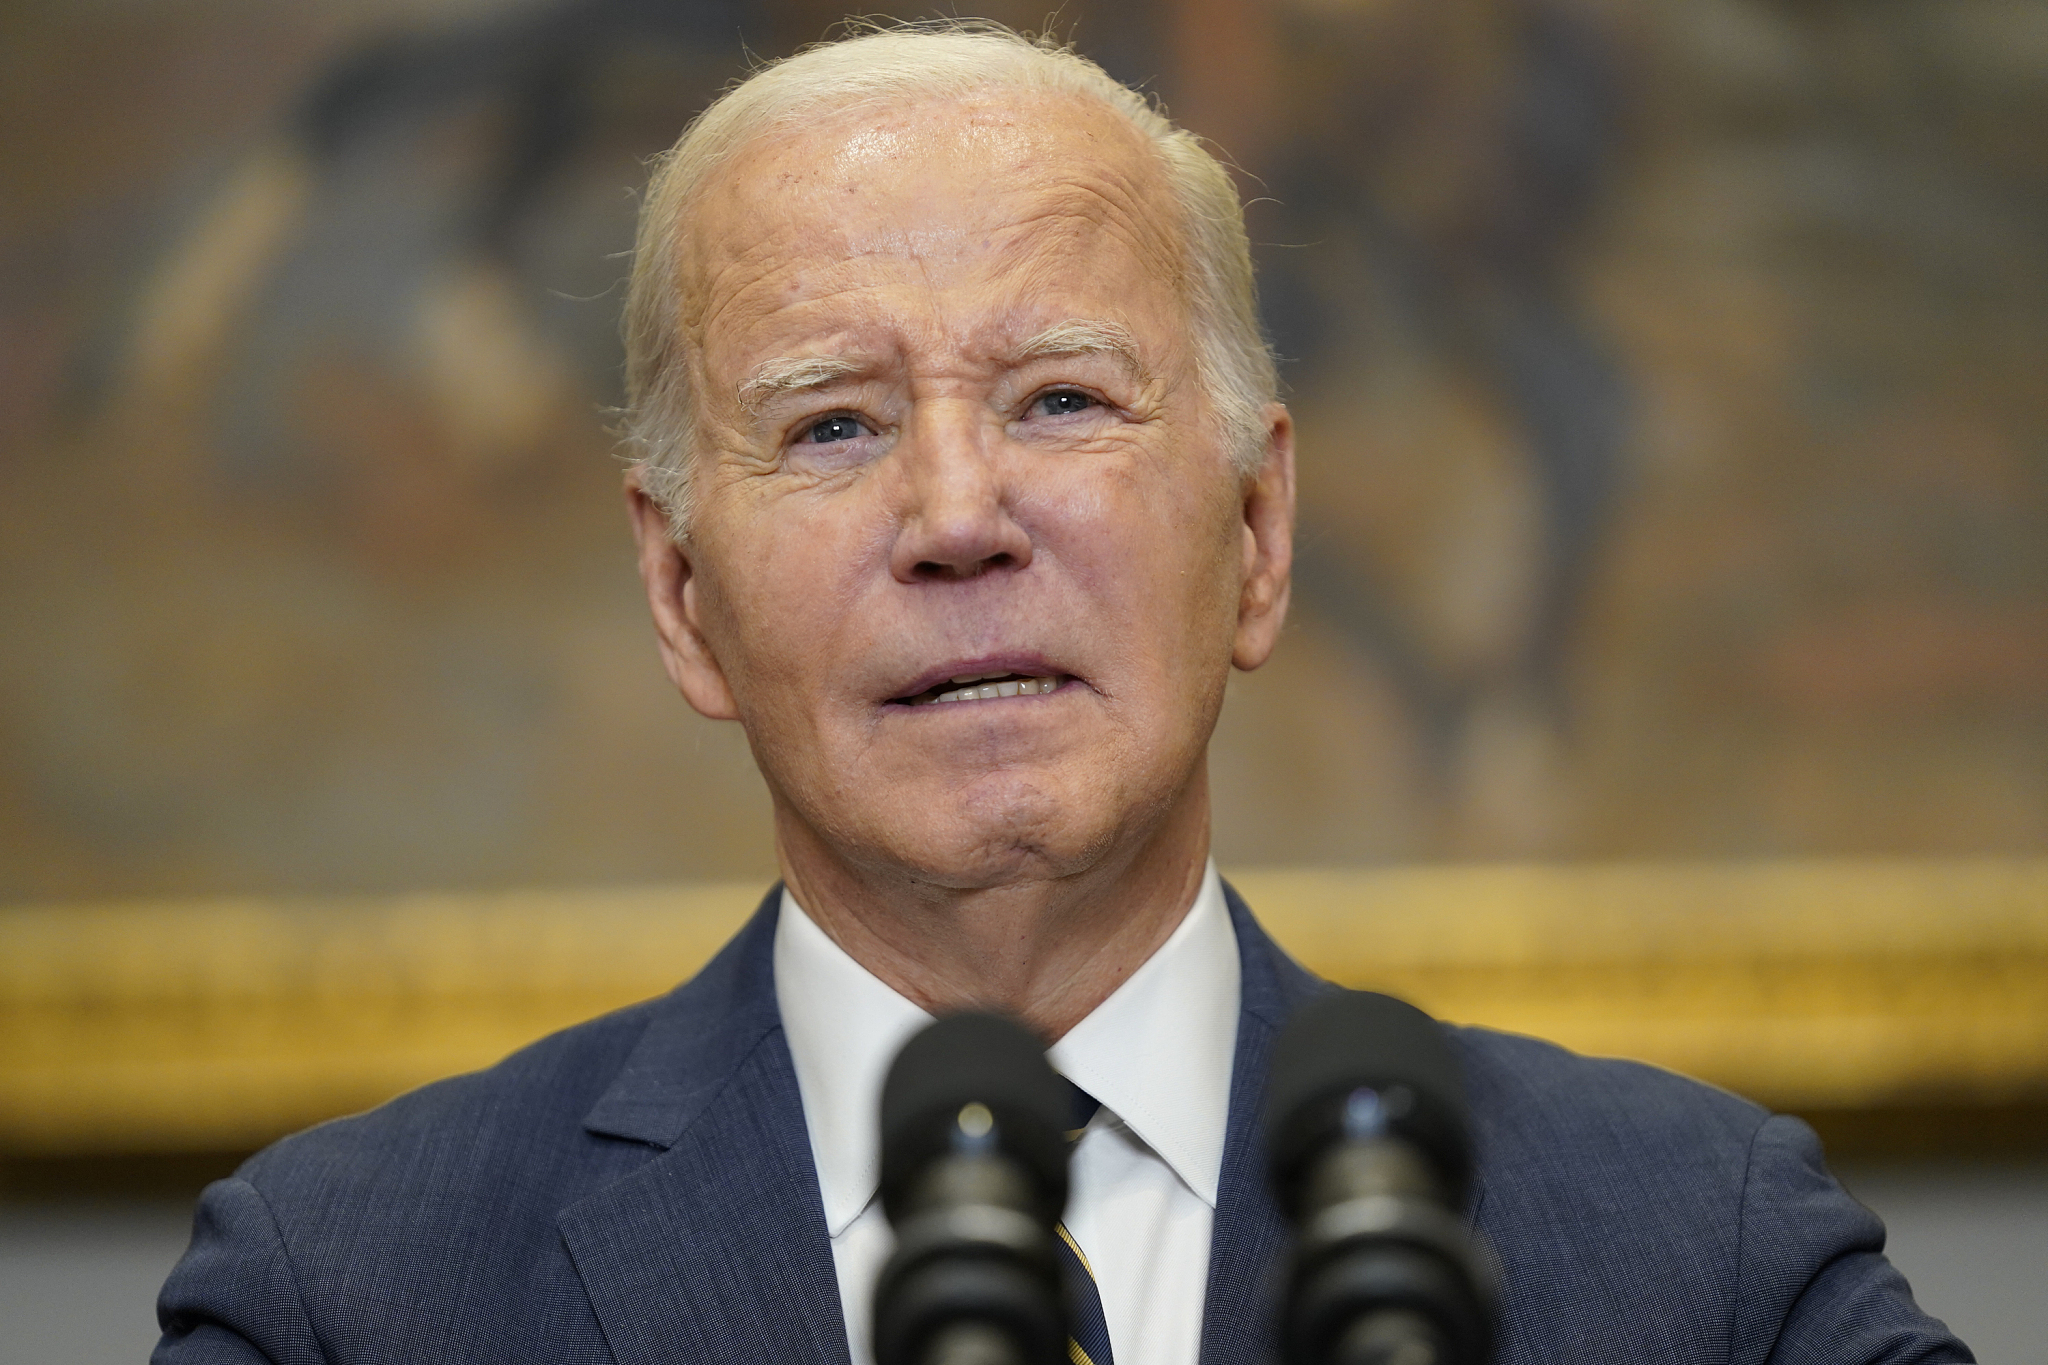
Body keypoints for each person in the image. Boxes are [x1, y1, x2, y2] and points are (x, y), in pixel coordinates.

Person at [154, 22, 1970, 1365]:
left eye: (1063, 400)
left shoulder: (1699, 1259)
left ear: (1257, 532)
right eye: (833, 423)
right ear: (679, 593)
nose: (956, 516)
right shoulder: (348, 1297)